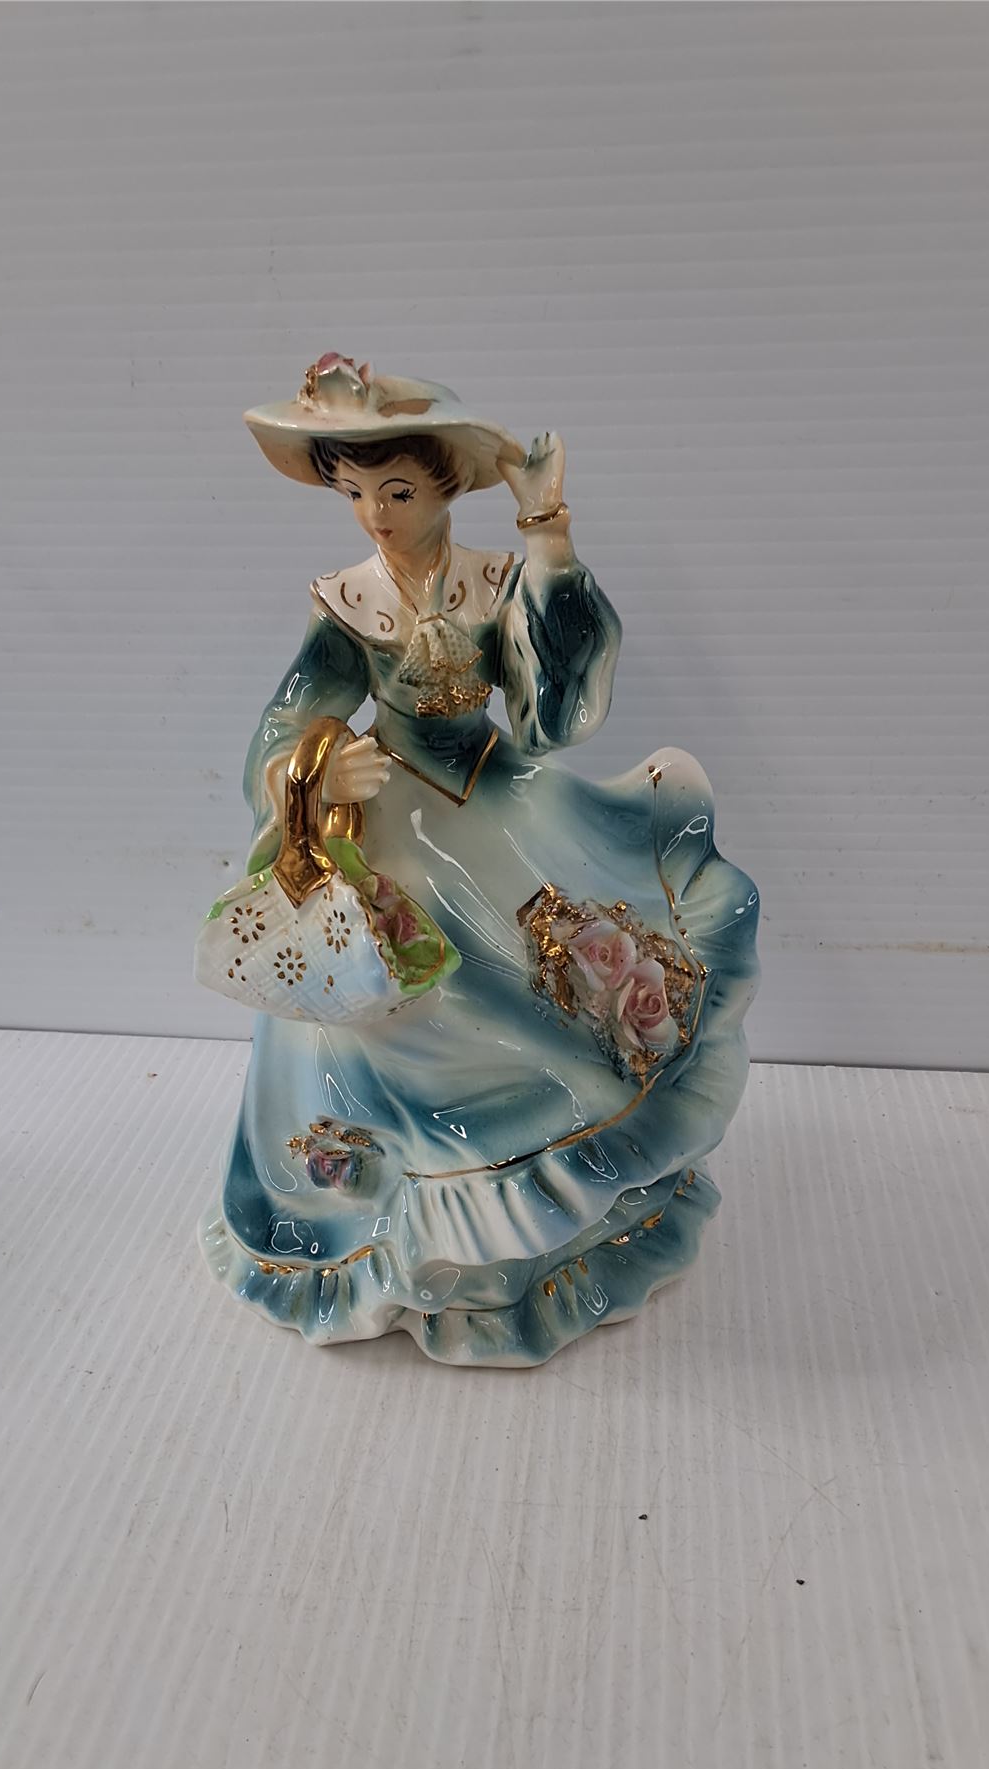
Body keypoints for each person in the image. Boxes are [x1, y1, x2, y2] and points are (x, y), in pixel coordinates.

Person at [201, 354, 760, 1364]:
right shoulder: (349, 604)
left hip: (500, 796)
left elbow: (554, 716)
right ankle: (414, 1223)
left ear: (446, 489)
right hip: (395, 813)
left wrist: (547, 533)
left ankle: (565, 1198)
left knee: (566, 964)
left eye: (397, 491)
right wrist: (319, 769)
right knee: (402, 964)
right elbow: (283, 729)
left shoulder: (490, 585)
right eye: (356, 493)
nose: (375, 515)